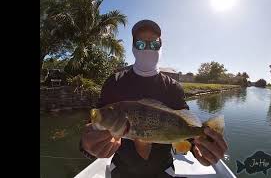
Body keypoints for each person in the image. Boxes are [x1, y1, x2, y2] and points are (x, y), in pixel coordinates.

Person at [80, 19, 228, 177]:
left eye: (154, 44)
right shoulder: (114, 82)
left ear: (161, 47)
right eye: (141, 44)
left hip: (163, 171)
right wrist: (86, 145)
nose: (148, 48)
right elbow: (93, 126)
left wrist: (201, 150)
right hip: (121, 170)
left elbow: (187, 130)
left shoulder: (173, 87)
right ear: (133, 47)